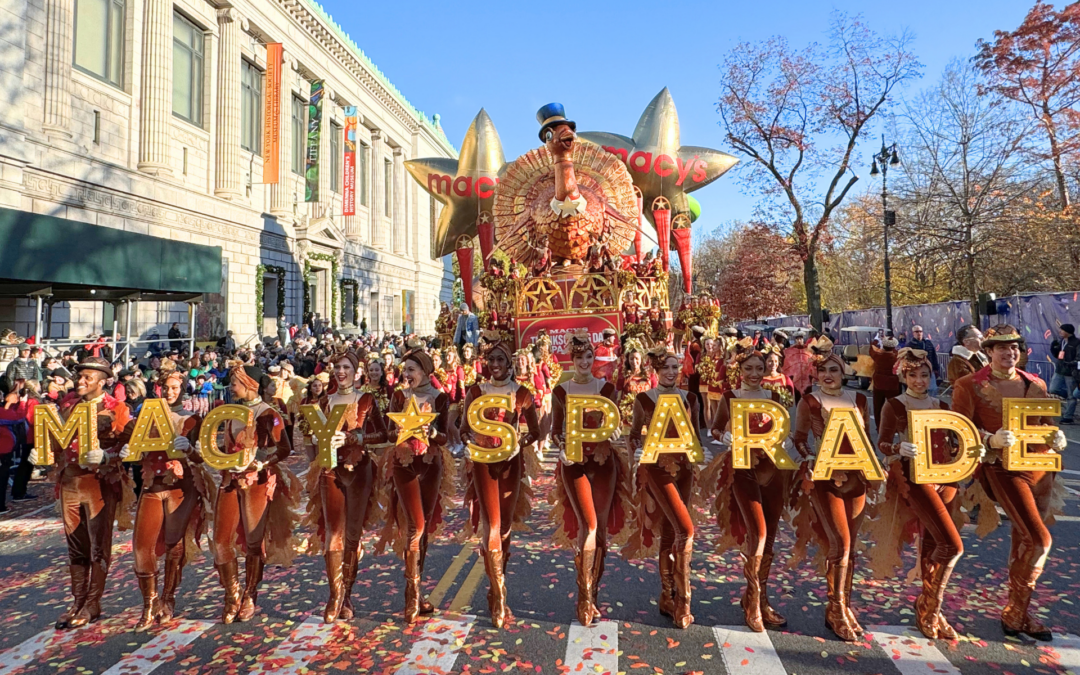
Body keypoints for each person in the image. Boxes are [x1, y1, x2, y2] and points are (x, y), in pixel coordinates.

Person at [951, 324, 1065, 641]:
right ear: (987, 351)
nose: (1008, 351)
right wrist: (990, 438)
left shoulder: (1035, 382)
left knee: (1024, 540)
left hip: (1040, 470)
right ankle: (1015, 613)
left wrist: (1056, 436)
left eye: (1013, 346)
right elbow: (957, 430)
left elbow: (1044, 423)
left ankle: (1018, 612)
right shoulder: (969, 384)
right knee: (1039, 539)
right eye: (1000, 346)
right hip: (1001, 469)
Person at [872, 348, 974, 639]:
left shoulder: (942, 405)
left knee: (933, 544)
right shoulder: (894, 405)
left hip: (946, 477)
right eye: (913, 375)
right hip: (914, 478)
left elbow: (955, 440)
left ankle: (930, 609)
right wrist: (897, 448)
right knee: (952, 546)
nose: (919, 380)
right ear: (904, 377)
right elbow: (881, 442)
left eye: (925, 375)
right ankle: (930, 607)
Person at [705, 347, 794, 632]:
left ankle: (760, 598)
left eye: (760, 368)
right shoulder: (730, 397)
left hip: (774, 472)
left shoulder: (776, 396)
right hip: (743, 471)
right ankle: (753, 601)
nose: (755, 374)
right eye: (749, 369)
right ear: (739, 371)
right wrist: (725, 436)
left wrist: (790, 441)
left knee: (770, 539)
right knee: (758, 532)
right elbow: (715, 429)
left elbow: (786, 429)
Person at [790, 338, 872, 642]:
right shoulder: (810, 401)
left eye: (834, 370)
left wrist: (877, 466)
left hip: (857, 479)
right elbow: (799, 439)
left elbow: (867, 441)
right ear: (815, 374)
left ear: (843, 373)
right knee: (841, 543)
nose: (828, 375)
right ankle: (836, 609)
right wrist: (809, 459)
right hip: (826, 479)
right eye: (822, 370)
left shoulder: (859, 400)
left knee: (850, 549)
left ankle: (842, 606)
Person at [550, 334, 633, 627]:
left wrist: (615, 435)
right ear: (571, 360)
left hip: (604, 464)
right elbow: (555, 430)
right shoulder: (560, 391)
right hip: (575, 464)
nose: (585, 363)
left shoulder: (607, 389)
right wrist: (560, 448)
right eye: (579, 358)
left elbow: (616, 427)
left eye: (589, 357)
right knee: (589, 524)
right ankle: (584, 597)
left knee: (600, 533)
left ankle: (593, 593)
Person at [460, 336, 540, 627]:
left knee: (505, 527)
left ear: (509, 364)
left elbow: (535, 431)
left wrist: (521, 443)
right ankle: (499, 595)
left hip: (511, 463)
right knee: (491, 525)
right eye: (491, 360)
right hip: (483, 463)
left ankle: (497, 584)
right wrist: (468, 440)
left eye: (500, 360)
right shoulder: (475, 391)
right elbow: (462, 429)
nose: (495, 365)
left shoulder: (521, 393)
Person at [51, 356, 136, 629]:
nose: (81, 381)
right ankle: (78, 600)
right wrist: (44, 452)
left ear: (102, 382)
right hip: (70, 483)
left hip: (98, 484)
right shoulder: (67, 406)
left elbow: (130, 448)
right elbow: (56, 444)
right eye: (80, 376)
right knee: (75, 545)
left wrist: (107, 456)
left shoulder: (117, 409)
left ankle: (93, 602)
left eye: (88, 377)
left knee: (98, 545)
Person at [211, 363, 299, 624]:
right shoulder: (229, 412)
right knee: (220, 540)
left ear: (250, 384)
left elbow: (284, 448)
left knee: (253, 540)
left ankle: (250, 594)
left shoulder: (269, 413)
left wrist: (262, 463)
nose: (231, 387)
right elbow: (223, 446)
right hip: (230, 479)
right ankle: (231, 594)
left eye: (235, 382)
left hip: (257, 481)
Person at [127, 369, 215, 631]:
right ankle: (148, 603)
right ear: (159, 388)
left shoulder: (192, 419)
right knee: (142, 547)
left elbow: (203, 459)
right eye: (166, 387)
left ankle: (168, 597)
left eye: (175, 387)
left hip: (181, 486)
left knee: (174, 544)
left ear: (183, 389)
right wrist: (124, 451)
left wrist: (189, 449)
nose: (170, 392)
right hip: (152, 485)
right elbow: (132, 447)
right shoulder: (145, 416)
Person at [304, 350, 387, 624]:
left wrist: (353, 437)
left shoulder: (366, 399)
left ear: (356, 372)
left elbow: (382, 433)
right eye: (337, 367)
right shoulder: (324, 401)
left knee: (352, 535)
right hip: (330, 472)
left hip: (360, 470)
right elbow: (310, 437)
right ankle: (334, 594)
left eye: (346, 367)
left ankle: (347, 593)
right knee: (333, 533)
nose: (341, 372)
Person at [626, 347, 701, 629]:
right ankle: (683, 599)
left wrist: (699, 460)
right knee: (686, 529)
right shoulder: (644, 400)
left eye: (675, 367)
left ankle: (666, 595)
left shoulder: (690, 398)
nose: (671, 372)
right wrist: (637, 451)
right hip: (657, 469)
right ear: (656, 372)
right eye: (665, 368)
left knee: (671, 532)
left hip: (684, 469)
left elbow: (695, 435)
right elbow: (633, 436)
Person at [377, 347, 452, 624]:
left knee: (425, 528)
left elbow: (445, 436)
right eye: (404, 369)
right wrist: (397, 431)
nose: (405, 374)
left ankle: (419, 593)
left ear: (425, 372)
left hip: (431, 465)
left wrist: (432, 432)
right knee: (415, 526)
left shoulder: (440, 398)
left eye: (411, 369)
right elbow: (387, 430)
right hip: (404, 463)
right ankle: (410, 595)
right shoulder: (398, 396)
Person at [1049, 323, 1080, 424]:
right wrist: (1053, 348)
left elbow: (1078, 357)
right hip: (1060, 370)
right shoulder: (1061, 341)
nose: (1060, 332)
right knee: (1053, 389)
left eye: (1062, 330)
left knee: (1071, 396)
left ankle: (1068, 417)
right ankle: (1071, 398)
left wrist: (1072, 363)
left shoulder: (1076, 342)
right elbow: (1058, 355)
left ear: (1068, 332)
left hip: (1071, 373)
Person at [869, 336, 901, 425]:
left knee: (878, 407)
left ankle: (879, 425)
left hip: (879, 384)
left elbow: (871, 350)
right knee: (894, 406)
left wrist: (875, 340)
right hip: (893, 385)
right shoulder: (896, 357)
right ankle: (894, 426)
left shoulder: (878, 356)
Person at [906, 326, 939, 393]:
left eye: (920, 331)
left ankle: (931, 403)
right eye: (917, 331)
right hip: (917, 371)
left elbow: (933, 355)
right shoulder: (910, 345)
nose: (919, 333)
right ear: (913, 333)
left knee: (933, 389)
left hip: (929, 369)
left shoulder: (928, 343)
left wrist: (936, 368)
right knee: (919, 390)